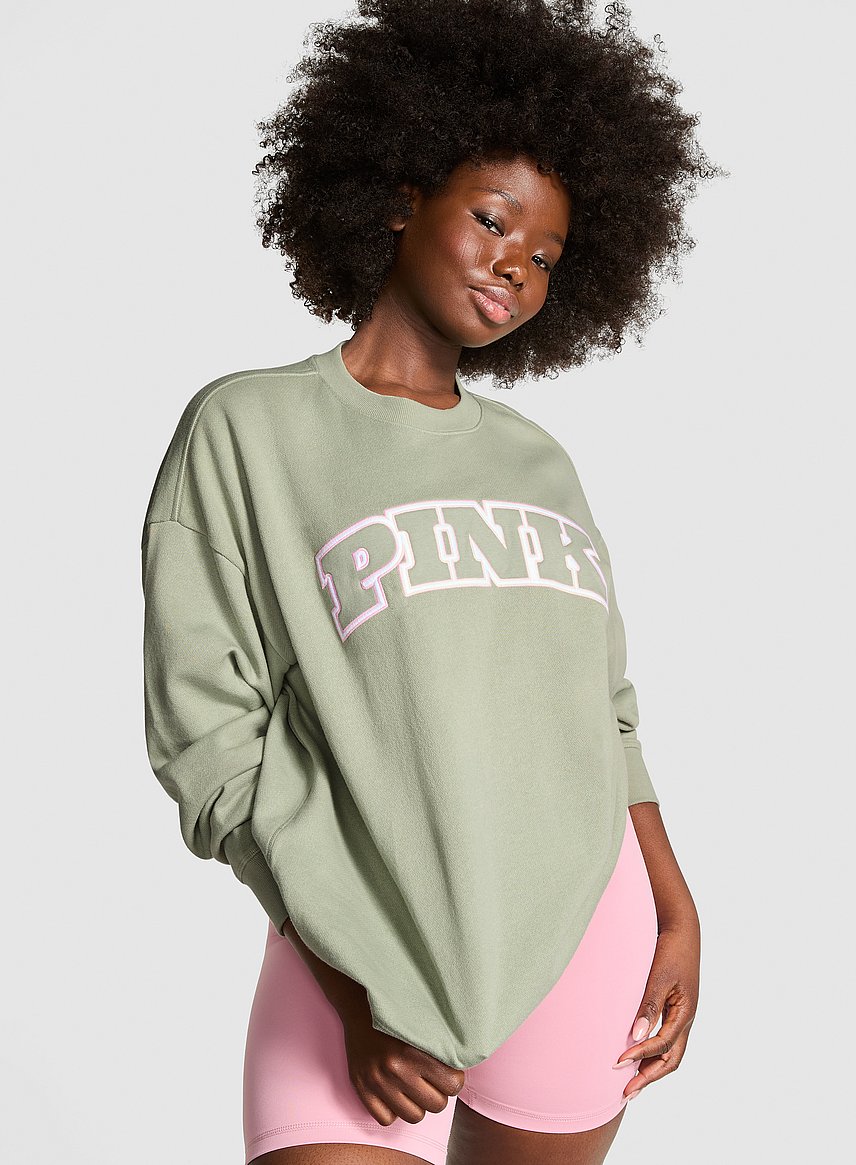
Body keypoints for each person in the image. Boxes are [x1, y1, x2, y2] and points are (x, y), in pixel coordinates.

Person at [141, 1, 722, 1161]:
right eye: (493, 219)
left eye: (545, 256)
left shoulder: (538, 462)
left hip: (586, 937)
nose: (515, 265)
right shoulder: (248, 428)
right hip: (357, 942)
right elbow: (208, 740)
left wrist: (675, 906)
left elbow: (604, 713)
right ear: (403, 194)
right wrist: (353, 989)